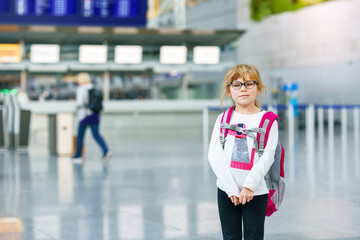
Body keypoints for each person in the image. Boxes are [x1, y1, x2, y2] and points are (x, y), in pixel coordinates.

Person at [208, 64, 278, 240]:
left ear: (259, 88)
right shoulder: (223, 119)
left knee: (254, 236)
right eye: (237, 85)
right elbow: (214, 155)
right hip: (226, 190)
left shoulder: (268, 120)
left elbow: (268, 155)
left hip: (256, 191)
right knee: (230, 236)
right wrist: (231, 189)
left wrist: (249, 186)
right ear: (230, 91)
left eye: (249, 84)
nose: (243, 89)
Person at [72, 72, 112, 164]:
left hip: (85, 116)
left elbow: (80, 103)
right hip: (95, 114)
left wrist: (76, 107)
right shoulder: (93, 87)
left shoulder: (81, 89)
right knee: (96, 135)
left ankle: (78, 156)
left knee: (80, 136)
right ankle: (106, 151)